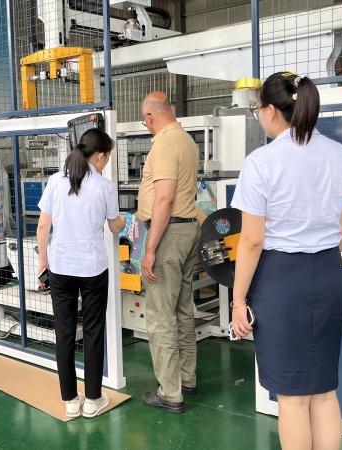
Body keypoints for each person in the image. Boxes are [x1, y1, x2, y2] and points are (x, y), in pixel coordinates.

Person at [230, 72, 342, 450]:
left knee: (292, 397)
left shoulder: (262, 162)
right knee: (323, 391)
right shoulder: (340, 155)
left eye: (256, 109)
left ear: (270, 111)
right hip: (328, 274)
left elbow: (252, 240)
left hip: (282, 280)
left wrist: (238, 301)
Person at [36, 128, 125, 418]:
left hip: (60, 267)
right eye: (107, 157)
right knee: (93, 333)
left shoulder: (54, 182)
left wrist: (42, 262)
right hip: (92, 269)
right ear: (99, 155)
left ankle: (71, 402)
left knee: (63, 334)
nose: (105, 162)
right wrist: (123, 219)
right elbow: (114, 227)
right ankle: (93, 400)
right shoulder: (105, 187)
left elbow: (43, 227)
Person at [136, 91, 201, 413]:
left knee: (161, 315)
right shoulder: (187, 140)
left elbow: (164, 199)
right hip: (189, 229)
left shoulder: (163, 144)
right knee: (182, 309)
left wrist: (150, 250)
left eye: (144, 120)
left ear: (150, 117)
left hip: (170, 234)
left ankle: (171, 393)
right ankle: (187, 378)